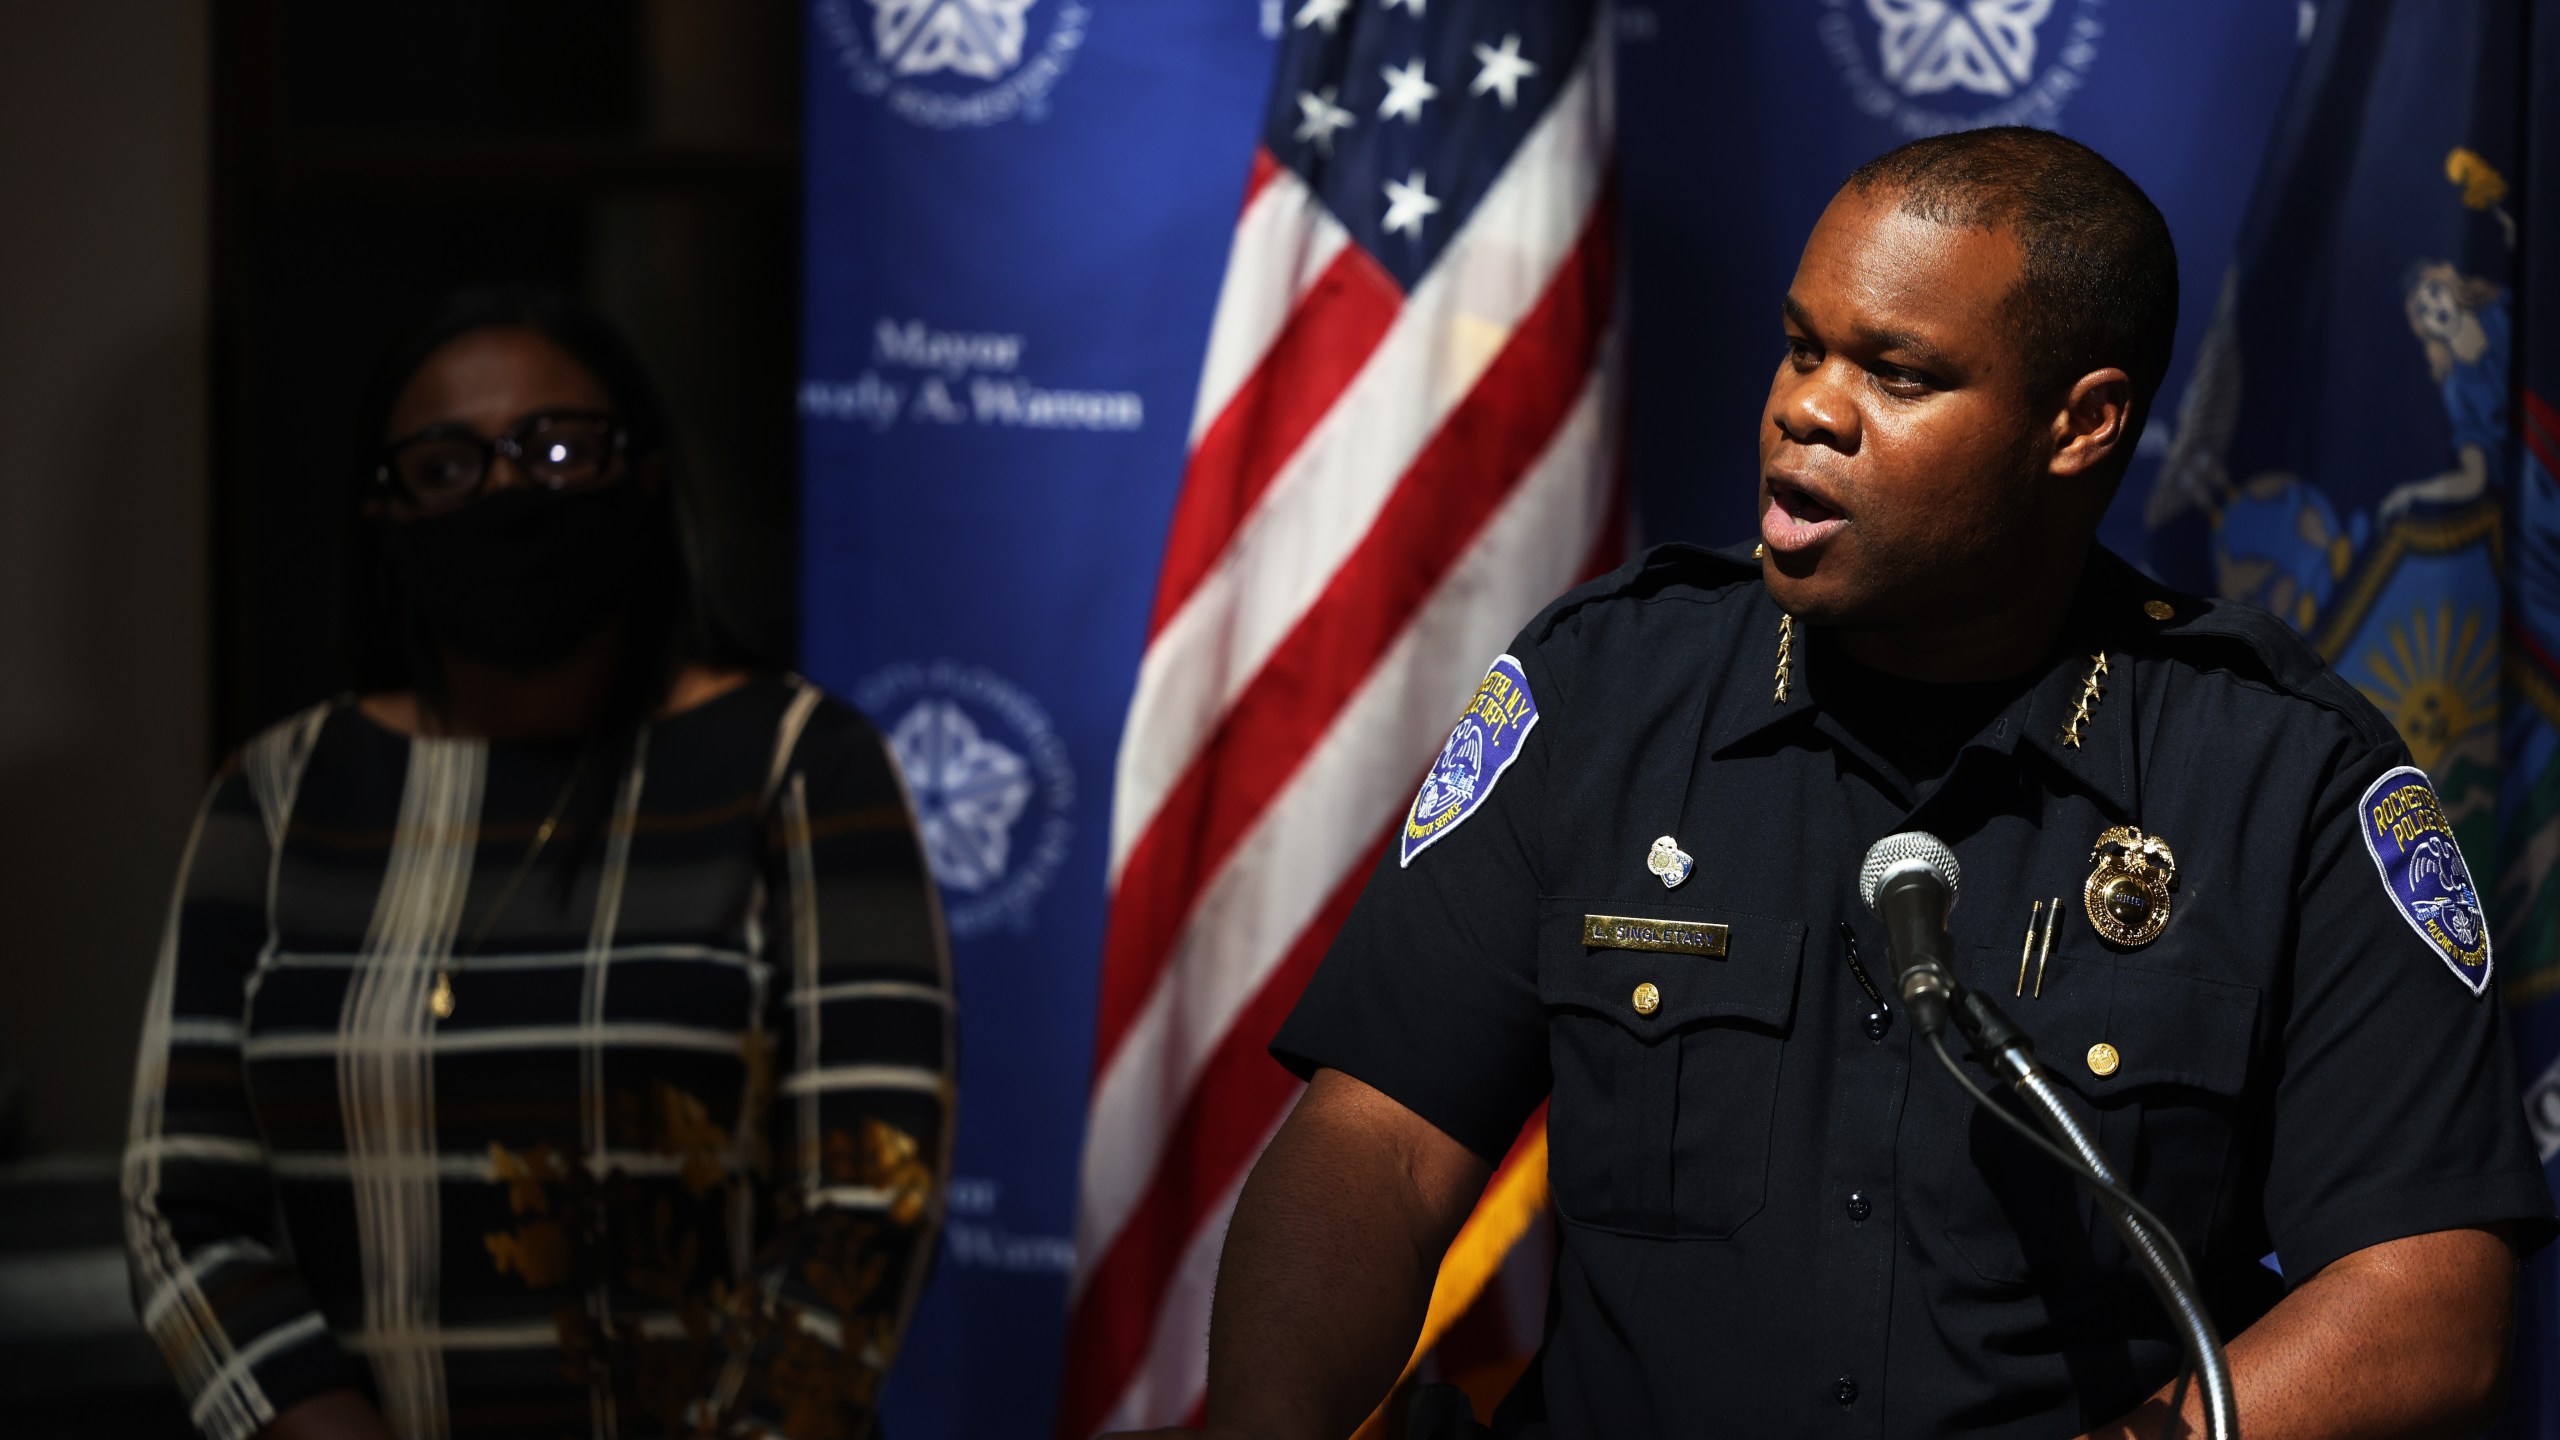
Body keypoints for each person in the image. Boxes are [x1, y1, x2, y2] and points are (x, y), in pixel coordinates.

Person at [1111, 130, 2557, 1439]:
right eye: (1801, 349)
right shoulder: (1606, 690)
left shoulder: (2285, 774)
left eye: (1897, 372)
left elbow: (2425, 1298)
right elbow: (1380, 1140)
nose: (1810, 410)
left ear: (2080, 425)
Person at [122, 288, 952, 1440]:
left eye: (558, 448)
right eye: (449, 465)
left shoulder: (801, 765)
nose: (510, 489)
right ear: (387, 511)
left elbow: (874, 1195)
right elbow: (184, 1205)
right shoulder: (274, 794)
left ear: (646, 473)